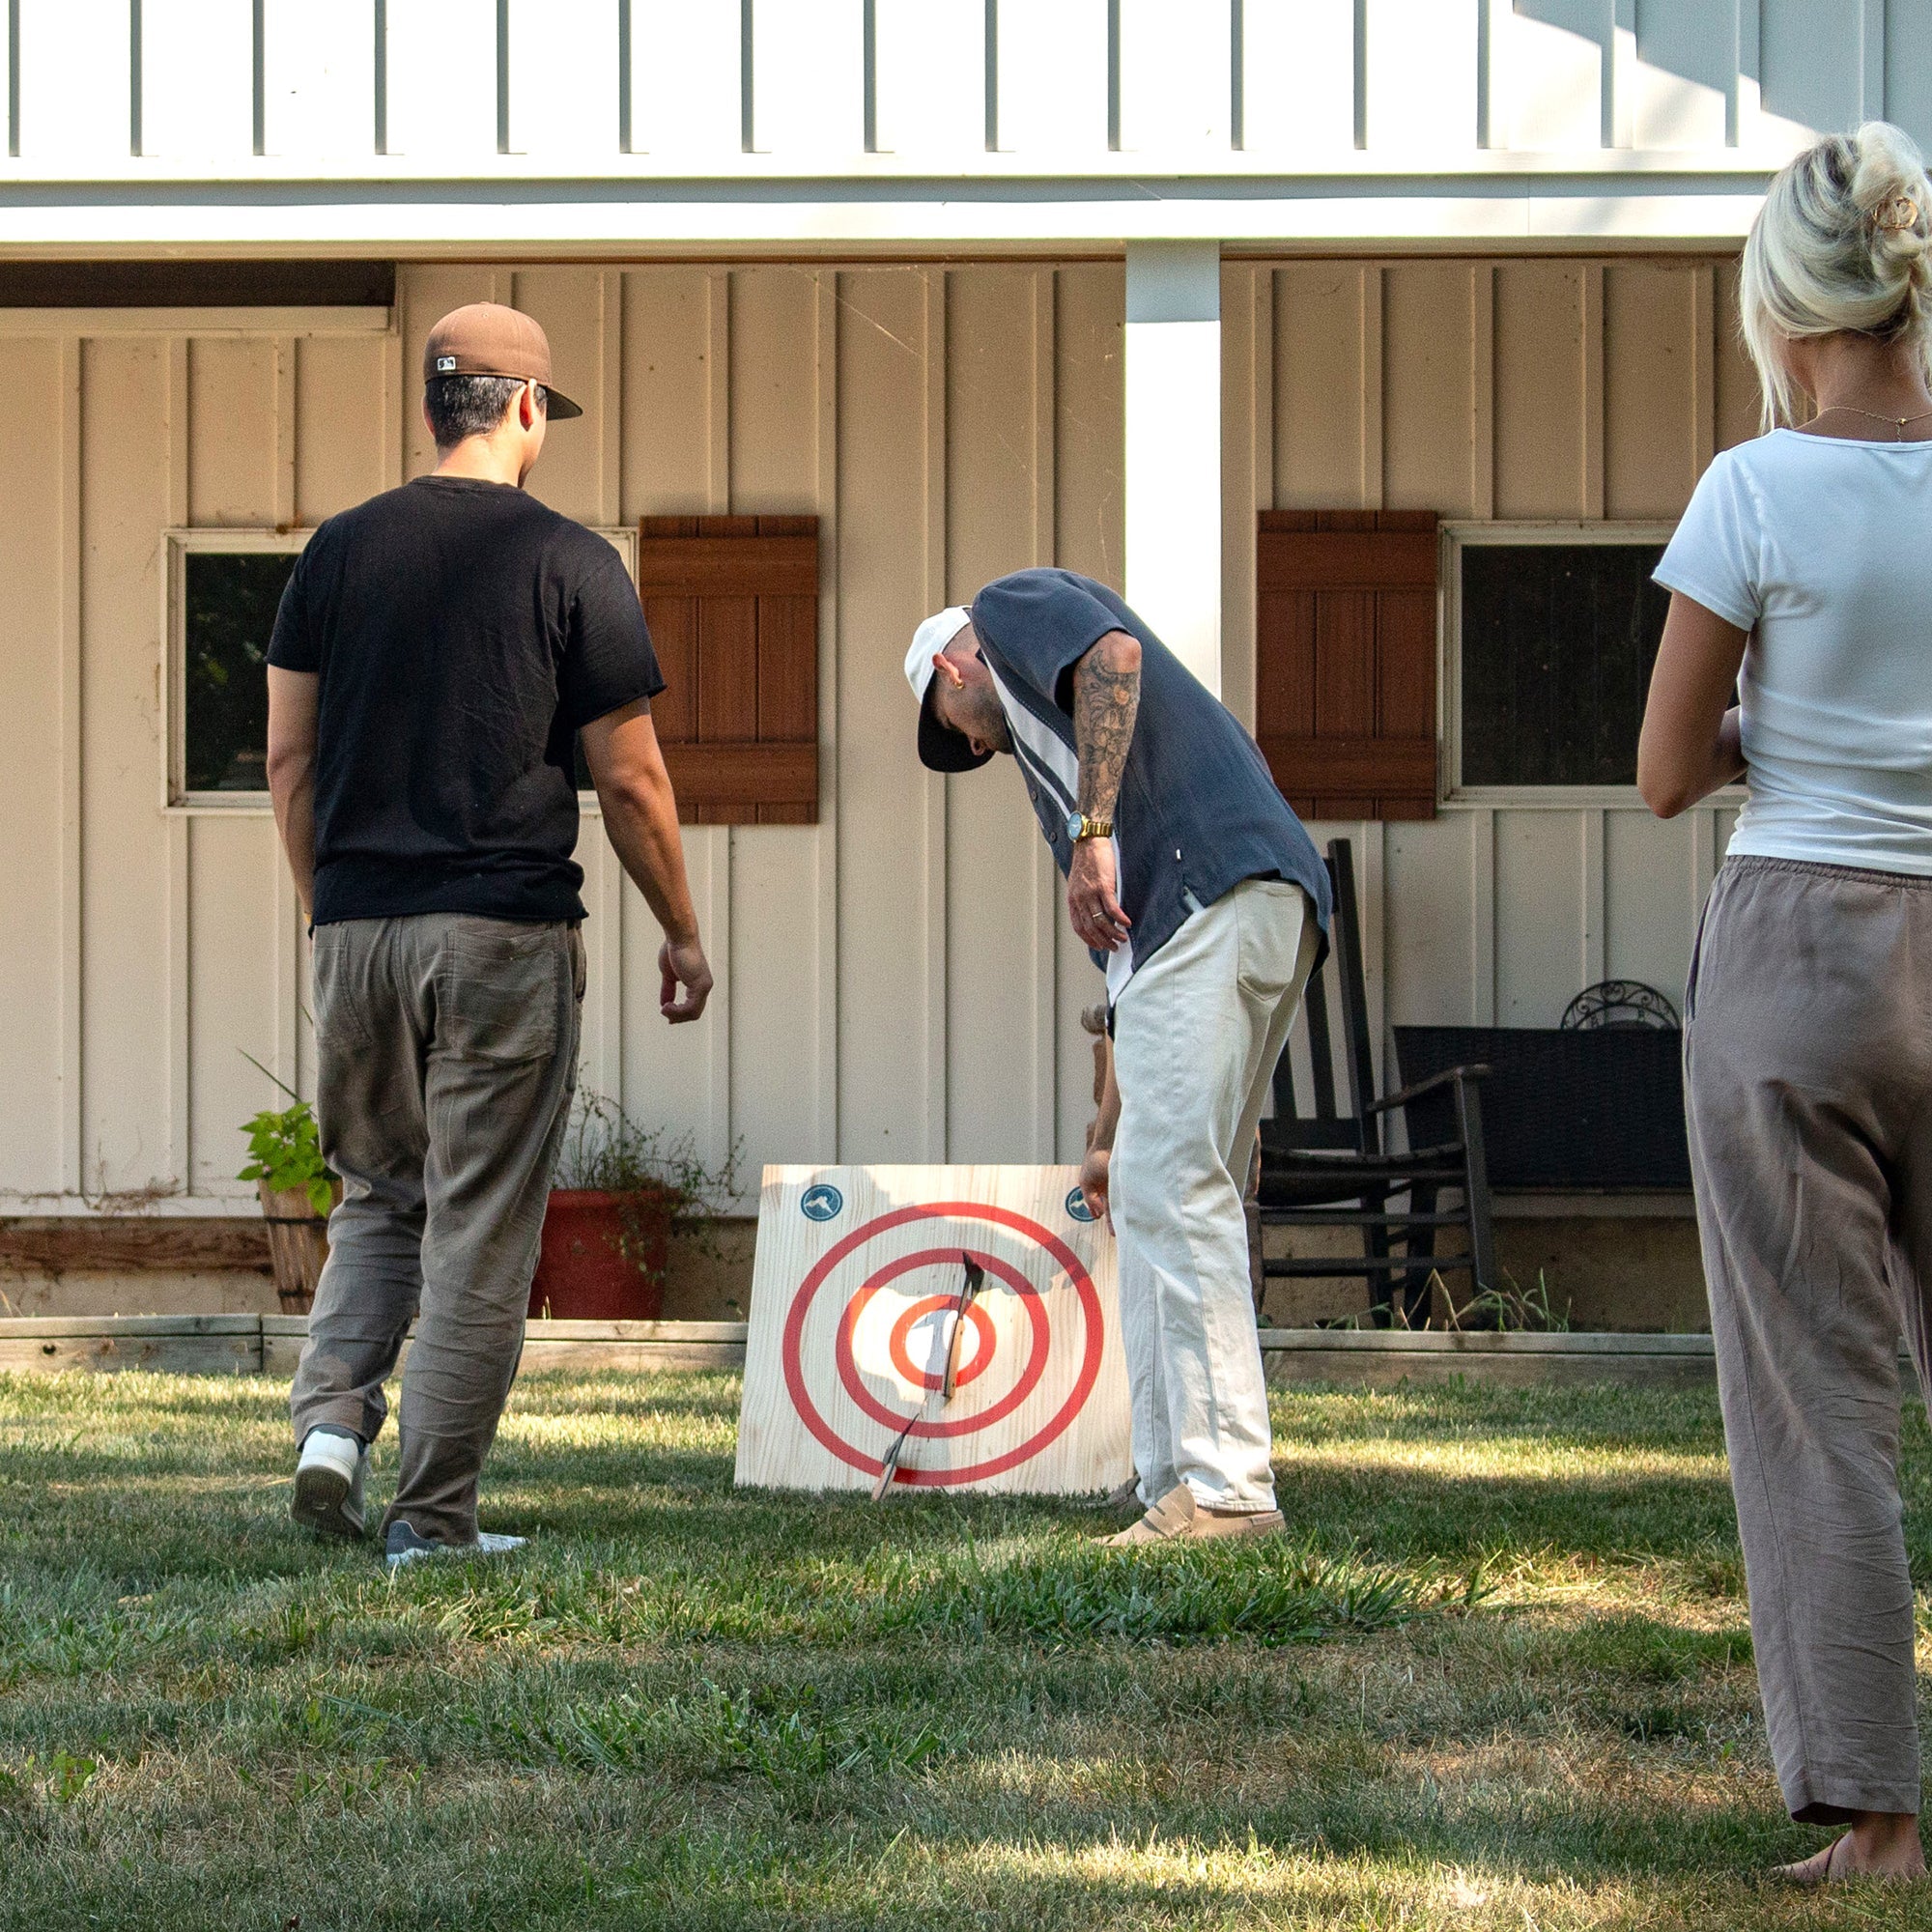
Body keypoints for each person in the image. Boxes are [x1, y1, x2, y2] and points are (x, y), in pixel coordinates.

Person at [266, 303, 714, 1571]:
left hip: (354, 931)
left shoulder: (333, 555)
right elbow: (630, 782)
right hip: (501, 937)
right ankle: (431, 1522)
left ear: (428, 411)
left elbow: (289, 758)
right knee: (476, 1227)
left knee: (376, 1199)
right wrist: (682, 930)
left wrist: (329, 913)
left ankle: (330, 1435)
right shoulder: (573, 564)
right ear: (528, 410)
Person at [1639, 123, 1932, 1884]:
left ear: (1783, 301)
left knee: (1820, 1394)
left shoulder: (1752, 491)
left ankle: (1879, 1817)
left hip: (1794, 964)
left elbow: (1671, 769)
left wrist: (1777, 726)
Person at [903, 573, 1331, 1543]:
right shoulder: (1061, 759)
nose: (973, 744)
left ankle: (1226, 1489)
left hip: (1208, 899)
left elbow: (1114, 655)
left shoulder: (1005, 607)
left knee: (1172, 1186)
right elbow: (1128, 983)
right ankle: (1168, 1479)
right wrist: (1105, 1132)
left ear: (949, 662)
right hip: (1252, 906)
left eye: (953, 724)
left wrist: (1092, 834)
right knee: (1150, 1183)